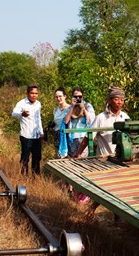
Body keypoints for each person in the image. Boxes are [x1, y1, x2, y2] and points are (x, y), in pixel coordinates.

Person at [77, 86, 131, 218]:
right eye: (117, 99)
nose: (119, 102)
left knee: (119, 188)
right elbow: (89, 137)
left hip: (121, 159)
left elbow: (133, 135)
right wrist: (79, 154)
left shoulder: (125, 117)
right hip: (104, 159)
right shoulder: (101, 118)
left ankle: (115, 215)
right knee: (105, 189)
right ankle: (92, 210)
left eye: (122, 100)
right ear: (110, 101)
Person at [11, 84, 44, 175]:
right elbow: (13, 113)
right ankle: (24, 176)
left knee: (37, 157)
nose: (34, 95)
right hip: (26, 135)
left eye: (36, 93)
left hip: (36, 136)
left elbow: (38, 118)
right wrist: (22, 114)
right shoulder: (22, 103)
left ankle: (35, 177)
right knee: (25, 157)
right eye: (32, 93)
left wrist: (41, 132)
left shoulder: (38, 104)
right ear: (27, 93)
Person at [64, 86, 95, 158]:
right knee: (73, 161)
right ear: (72, 97)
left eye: (79, 96)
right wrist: (72, 107)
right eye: (75, 96)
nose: (78, 98)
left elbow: (92, 120)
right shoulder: (69, 107)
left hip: (83, 137)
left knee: (83, 161)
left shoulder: (87, 106)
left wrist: (83, 109)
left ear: (82, 97)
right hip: (72, 138)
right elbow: (66, 121)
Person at [52, 86, 70, 158]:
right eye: (56, 97)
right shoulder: (56, 110)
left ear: (65, 96)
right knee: (58, 158)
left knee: (67, 158)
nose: (58, 98)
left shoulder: (70, 108)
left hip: (67, 136)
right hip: (57, 137)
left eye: (60, 96)